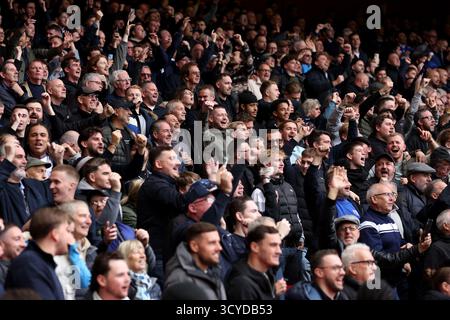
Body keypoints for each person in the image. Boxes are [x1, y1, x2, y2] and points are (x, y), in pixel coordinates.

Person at [5, 207, 74, 300]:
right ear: (55, 234)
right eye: (68, 231)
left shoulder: (40, 262)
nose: (72, 239)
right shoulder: (29, 264)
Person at [165, 222, 226, 300]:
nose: (219, 248)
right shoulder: (179, 279)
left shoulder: (214, 271)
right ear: (194, 246)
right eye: (212, 243)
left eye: (219, 242)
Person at [227, 225, 286, 300]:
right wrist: (273, 294)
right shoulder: (242, 284)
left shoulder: (267, 272)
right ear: (255, 247)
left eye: (279, 246)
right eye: (273, 245)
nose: (279, 251)